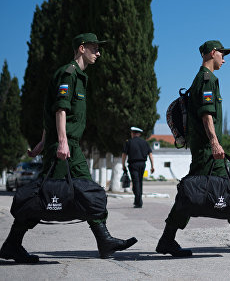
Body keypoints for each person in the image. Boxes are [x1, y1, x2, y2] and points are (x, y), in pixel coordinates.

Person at [0, 33, 137, 263]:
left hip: (65, 144)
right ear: (82, 48)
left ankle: (102, 240)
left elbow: (54, 114)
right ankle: (13, 243)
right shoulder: (69, 74)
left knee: (67, 191)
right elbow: (60, 110)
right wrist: (60, 141)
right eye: (94, 48)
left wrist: (43, 143)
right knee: (49, 194)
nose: (98, 53)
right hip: (65, 146)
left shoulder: (79, 76)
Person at [156, 40, 230, 257]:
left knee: (214, 189)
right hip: (207, 149)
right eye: (222, 54)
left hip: (204, 148)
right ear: (212, 53)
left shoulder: (202, 79)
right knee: (208, 191)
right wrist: (215, 143)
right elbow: (206, 115)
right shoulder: (207, 80)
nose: (224, 59)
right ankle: (167, 239)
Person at [121, 126, 155, 208]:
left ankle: (138, 202)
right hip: (142, 164)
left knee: (136, 182)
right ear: (139, 134)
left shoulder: (129, 142)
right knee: (139, 181)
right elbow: (150, 154)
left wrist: (123, 165)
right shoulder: (145, 142)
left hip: (133, 164)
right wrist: (152, 166)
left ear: (133, 133)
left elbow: (124, 155)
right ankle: (138, 201)